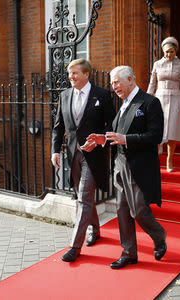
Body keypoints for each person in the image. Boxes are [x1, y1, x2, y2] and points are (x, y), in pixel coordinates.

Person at [83, 66, 166, 269]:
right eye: (112, 83)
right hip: (120, 165)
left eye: (117, 82)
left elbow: (155, 136)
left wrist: (126, 139)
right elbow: (114, 131)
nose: (114, 87)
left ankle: (159, 235)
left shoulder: (150, 102)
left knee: (138, 210)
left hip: (140, 166)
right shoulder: (123, 105)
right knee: (121, 210)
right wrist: (102, 138)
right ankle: (129, 252)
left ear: (130, 79)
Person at [51, 58, 114, 262]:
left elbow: (112, 124)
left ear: (86, 74)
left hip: (94, 155)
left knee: (83, 199)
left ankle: (74, 247)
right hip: (73, 154)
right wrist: (55, 151)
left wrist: (98, 140)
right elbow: (58, 127)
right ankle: (95, 229)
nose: (71, 77)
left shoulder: (103, 95)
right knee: (83, 196)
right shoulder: (64, 95)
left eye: (75, 73)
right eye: (69, 73)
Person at [147, 36, 180, 172]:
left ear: (175, 50)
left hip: (176, 98)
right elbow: (152, 83)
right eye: (166, 51)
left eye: (171, 51)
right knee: (157, 126)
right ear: (163, 51)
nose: (169, 54)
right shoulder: (157, 64)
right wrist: (147, 99)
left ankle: (170, 159)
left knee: (172, 130)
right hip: (159, 97)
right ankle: (158, 147)